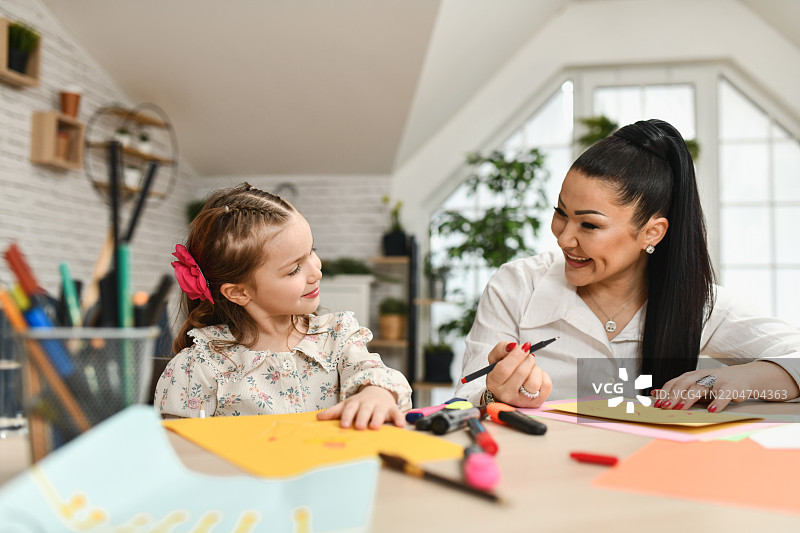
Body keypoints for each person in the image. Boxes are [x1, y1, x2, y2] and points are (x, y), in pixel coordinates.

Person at [454, 119, 800, 413]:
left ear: (652, 232)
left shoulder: (695, 304)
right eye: (561, 213)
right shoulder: (516, 285)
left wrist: (738, 379)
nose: (563, 238)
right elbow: (463, 403)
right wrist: (492, 396)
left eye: (588, 225)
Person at [155, 183, 412, 429]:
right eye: (294, 269)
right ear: (239, 292)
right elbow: (176, 449)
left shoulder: (336, 337)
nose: (316, 272)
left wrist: (377, 394)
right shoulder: (201, 366)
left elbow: (374, 373)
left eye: (312, 251)